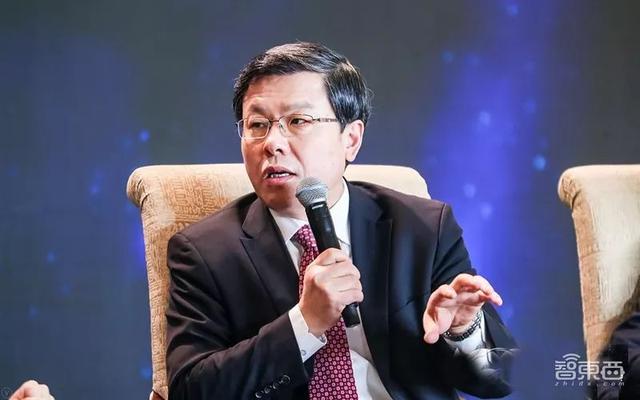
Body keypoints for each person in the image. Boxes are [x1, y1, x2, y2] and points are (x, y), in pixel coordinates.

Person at [165, 42, 517, 399]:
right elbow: (190, 389)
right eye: (257, 124)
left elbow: (498, 380)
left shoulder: (423, 228)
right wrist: (305, 323)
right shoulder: (205, 251)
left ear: (351, 139)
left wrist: (463, 330)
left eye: (297, 121)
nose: (272, 143)